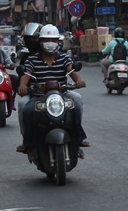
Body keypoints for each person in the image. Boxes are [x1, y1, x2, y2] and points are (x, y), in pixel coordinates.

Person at [16, 24, 88, 153]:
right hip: (38, 95)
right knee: (24, 107)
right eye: (46, 40)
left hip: (61, 94)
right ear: (40, 41)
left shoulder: (64, 58)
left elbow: (72, 71)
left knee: (77, 100)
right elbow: (26, 75)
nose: (50, 43)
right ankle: (28, 141)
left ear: (58, 42)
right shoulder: (32, 59)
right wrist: (22, 86)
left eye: (53, 40)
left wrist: (79, 81)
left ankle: (78, 138)